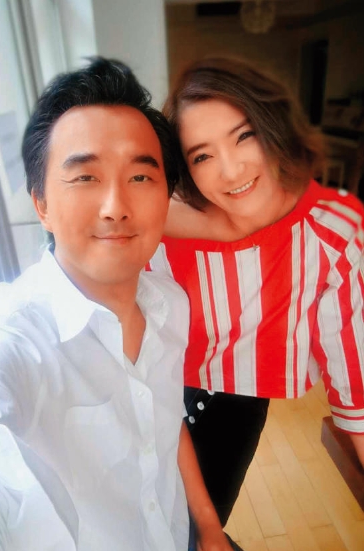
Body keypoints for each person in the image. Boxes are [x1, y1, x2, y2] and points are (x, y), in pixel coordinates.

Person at [0, 57, 232, 551]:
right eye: (85, 177)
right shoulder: (10, 336)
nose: (115, 207)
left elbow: (165, 418)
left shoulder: (170, 304)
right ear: (41, 204)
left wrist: (210, 526)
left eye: (140, 177)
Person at [149, 55, 364, 539]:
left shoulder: (332, 231)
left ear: (274, 125)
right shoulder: (161, 222)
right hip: (150, 391)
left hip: (235, 403)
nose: (231, 170)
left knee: (192, 533)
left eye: (243, 135)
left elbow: (354, 383)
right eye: (202, 156)